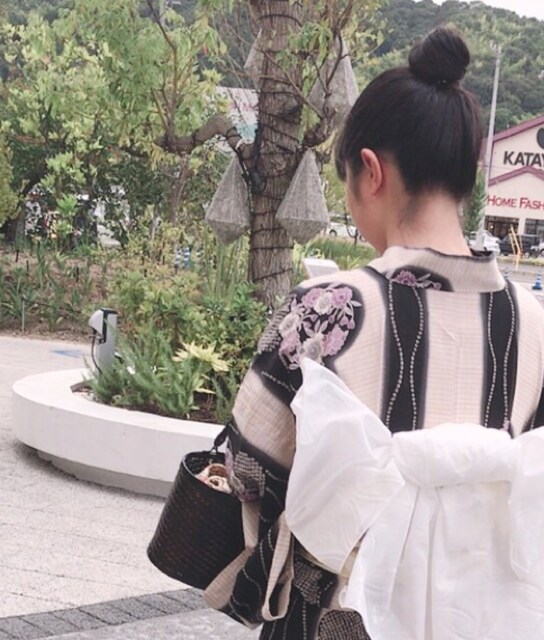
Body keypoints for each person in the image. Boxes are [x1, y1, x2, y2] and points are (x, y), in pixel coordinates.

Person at [203, 26, 544, 639]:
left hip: (335, 618)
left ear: (370, 172)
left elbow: (246, 472)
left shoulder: (326, 309)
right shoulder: (534, 323)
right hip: (482, 618)